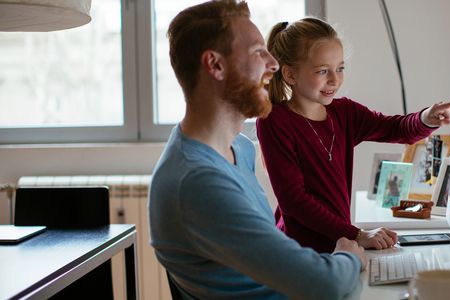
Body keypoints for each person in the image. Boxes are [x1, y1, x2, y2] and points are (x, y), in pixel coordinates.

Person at [148, 2, 365, 299]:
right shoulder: (198, 180)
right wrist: (348, 255)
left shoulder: (238, 149)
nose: (273, 65)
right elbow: (325, 285)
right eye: (257, 52)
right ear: (215, 65)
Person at [256, 18, 450, 253]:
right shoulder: (274, 121)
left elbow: (396, 128)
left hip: (339, 245)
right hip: (300, 252)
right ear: (290, 75)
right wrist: (356, 234)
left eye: (340, 68)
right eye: (322, 71)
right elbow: (294, 201)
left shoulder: (344, 113)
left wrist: (426, 118)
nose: (335, 79)